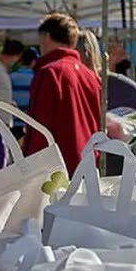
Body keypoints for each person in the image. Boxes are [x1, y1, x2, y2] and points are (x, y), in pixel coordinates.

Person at [26, 13, 101, 174]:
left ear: (46, 37)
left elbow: (39, 128)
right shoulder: (91, 76)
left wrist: (29, 168)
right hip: (88, 164)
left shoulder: (49, 73)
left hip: (56, 169)